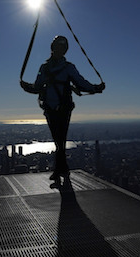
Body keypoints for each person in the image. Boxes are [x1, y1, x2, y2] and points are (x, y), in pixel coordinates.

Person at [21, 35, 104, 186]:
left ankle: (60, 170)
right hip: (53, 108)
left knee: (60, 139)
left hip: (60, 108)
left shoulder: (60, 68)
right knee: (58, 139)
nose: (59, 51)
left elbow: (80, 83)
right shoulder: (49, 68)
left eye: (61, 48)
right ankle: (62, 169)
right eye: (58, 48)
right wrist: (95, 88)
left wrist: (95, 88)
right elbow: (38, 86)